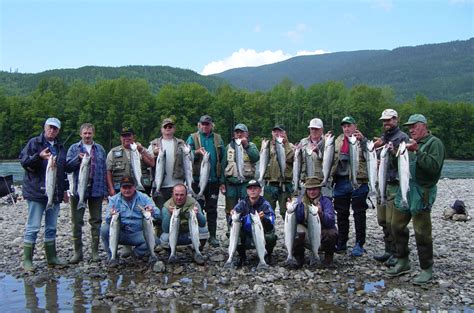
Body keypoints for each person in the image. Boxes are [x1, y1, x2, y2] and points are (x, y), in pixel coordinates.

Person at [386, 114, 445, 285]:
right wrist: (392, 152)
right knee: (395, 225)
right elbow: (399, 166)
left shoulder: (435, 144)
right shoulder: (408, 144)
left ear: (424, 126)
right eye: (409, 127)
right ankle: (403, 260)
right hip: (406, 189)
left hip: (423, 191)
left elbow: (433, 168)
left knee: (422, 232)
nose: (410, 130)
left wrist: (418, 151)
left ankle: (426, 268)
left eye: (414, 126)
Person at [19, 117, 70, 271]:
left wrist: (66, 190)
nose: (52, 130)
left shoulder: (60, 147)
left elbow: (63, 170)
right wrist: (38, 156)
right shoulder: (34, 143)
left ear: (58, 131)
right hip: (36, 192)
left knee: (51, 227)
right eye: (50, 127)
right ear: (45, 127)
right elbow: (24, 162)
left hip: (55, 193)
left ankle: (52, 257)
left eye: (55, 128)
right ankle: (27, 260)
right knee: (33, 227)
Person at [66, 123, 108, 263]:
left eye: (90, 133)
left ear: (93, 134)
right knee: (76, 222)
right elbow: (67, 167)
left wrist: (105, 191)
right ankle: (78, 253)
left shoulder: (100, 149)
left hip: (96, 190)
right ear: (80, 134)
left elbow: (104, 170)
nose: (87, 136)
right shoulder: (73, 148)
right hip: (78, 190)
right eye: (85, 133)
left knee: (96, 221)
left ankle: (95, 252)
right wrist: (77, 159)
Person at [373, 109, 409, 266]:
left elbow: (403, 163)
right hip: (382, 184)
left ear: (396, 120)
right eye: (384, 120)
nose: (386, 123)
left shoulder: (402, 138)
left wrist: (390, 153)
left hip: (394, 184)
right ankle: (388, 250)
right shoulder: (384, 137)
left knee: (392, 222)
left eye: (389, 120)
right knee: (382, 220)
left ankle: (397, 253)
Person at [330, 116, 369, 257]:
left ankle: (359, 243)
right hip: (340, 181)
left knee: (359, 213)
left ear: (355, 126)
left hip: (359, 181)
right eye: (344, 126)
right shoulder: (337, 141)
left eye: (349, 126)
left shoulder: (362, 140)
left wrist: (363, 141)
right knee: (341, 214)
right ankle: (342, 242)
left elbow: (371, 154)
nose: (346, 128)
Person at [100, 176, 160, 266]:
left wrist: (152, 210)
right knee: (104, 230)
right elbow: (108, 219)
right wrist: (111, 215)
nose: (127, 190)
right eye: (124, 188)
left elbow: (158, 214)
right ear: (120, 188)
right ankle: (112, 256)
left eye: (129, 187)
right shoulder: (114, 200)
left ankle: (136, 253)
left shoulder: (144, 198)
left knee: (155, 240)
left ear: (134, 187)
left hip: (138, 233)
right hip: (121, 233)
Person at [186, 115, 225, 247]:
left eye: (207, 124)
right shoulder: (192, 137)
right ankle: (199, 235)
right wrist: (196, 152)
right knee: (198, 208)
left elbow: (223, 159)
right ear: (199, 125)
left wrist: (222, 180)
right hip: (197, 180)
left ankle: (213, 236)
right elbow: (186, 153)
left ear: (211, 125)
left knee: (212, 209)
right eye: (202, 124)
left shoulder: (218, 138)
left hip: (214, 180)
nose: (205, 126)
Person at [292, 176, 338, 267]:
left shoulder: (326, 201)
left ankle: (328, 258)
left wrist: (321, 214)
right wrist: (292, 209)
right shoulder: (300, 201)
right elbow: (298, 219)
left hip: (321, 235)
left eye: (314, 189)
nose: (312, 192)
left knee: (332, 233)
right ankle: (298, 257)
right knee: (295, 230)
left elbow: (331, 221)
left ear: (319, 189)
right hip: (307, 234)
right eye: (309, 189)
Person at [231, 180, 277, 267]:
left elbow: (271, 221)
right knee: (232, 233)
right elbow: (231, 220)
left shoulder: (265, 204)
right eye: (250, 189)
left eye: (255, 188)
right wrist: (233, 215)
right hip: (247, 235)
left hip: (261, 234)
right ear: (247, 191)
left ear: (260, 190)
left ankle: (266, 256)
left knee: (271, 237)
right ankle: (242, 256)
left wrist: (264, 219)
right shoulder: (242, 203)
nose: (252, 191)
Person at [160, 183, 209, 265]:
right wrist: (169, 214)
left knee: (204, 231)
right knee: (164, 238)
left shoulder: (194, 203)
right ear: (172, 194)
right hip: (175, 235)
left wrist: (198, 214)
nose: (179, 197)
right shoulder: (167, 207)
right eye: (176, 195)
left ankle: (196, 251)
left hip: (189, 234)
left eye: (182, 195)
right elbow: (165, 229)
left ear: (186, 195)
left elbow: (203, 223)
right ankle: (172, 253)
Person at [222, 123, 259, 228]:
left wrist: (246, 145)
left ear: (246, 134)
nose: (239, 134)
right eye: (237, 132)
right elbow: (223, 165)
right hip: (231, 183)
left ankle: (246, 229)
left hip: (246, 183)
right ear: (234, 134)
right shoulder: (228, 147)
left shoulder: (251, 146)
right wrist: (222, 182)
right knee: (230, 209)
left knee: (247, 206)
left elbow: (256, 157)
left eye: (241, 132)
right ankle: (231, 229)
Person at [148, 118, 187, 208]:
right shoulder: (154, 144)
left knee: (176, 213)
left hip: (177, 185)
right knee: (160, 214)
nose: (167, 128)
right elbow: (148, 162)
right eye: (165, 127)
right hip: (159, 186)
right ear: (161, 129)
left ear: (174, 129)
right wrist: (154, 154)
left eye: (170, 126)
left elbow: (189, 161)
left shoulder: (181, 143)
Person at [106, 126, 155, 196]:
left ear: (134, 137)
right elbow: (108, 171)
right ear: (120, 138)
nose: (126, 138)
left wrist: (142, 151)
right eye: (124, 136)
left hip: (140, 189)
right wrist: (111, 188)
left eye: (129, 135)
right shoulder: (113, 152)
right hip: (121, 189)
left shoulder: (141, 149)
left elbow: (152, 164)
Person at [263, 124, 294, 218]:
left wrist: (286, 144)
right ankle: (269, 232)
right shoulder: (267, 146)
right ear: (272, 133)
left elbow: (291, 158)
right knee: (267, 213)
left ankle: (289, 232)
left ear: (285, 133)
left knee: (287, 212)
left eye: (280, 131)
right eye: (275, 131)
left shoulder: (290, 146)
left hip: (285, 185)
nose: (277, 133)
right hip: (269, 184)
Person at [300, 118, 325, 182]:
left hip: (321, 181)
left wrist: (318, 152)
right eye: (312, 128)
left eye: (316, 129)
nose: (314, 131)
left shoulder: (328, 143)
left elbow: (332, 161)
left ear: (322, 130)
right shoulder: (303, 142)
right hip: (305, 180)